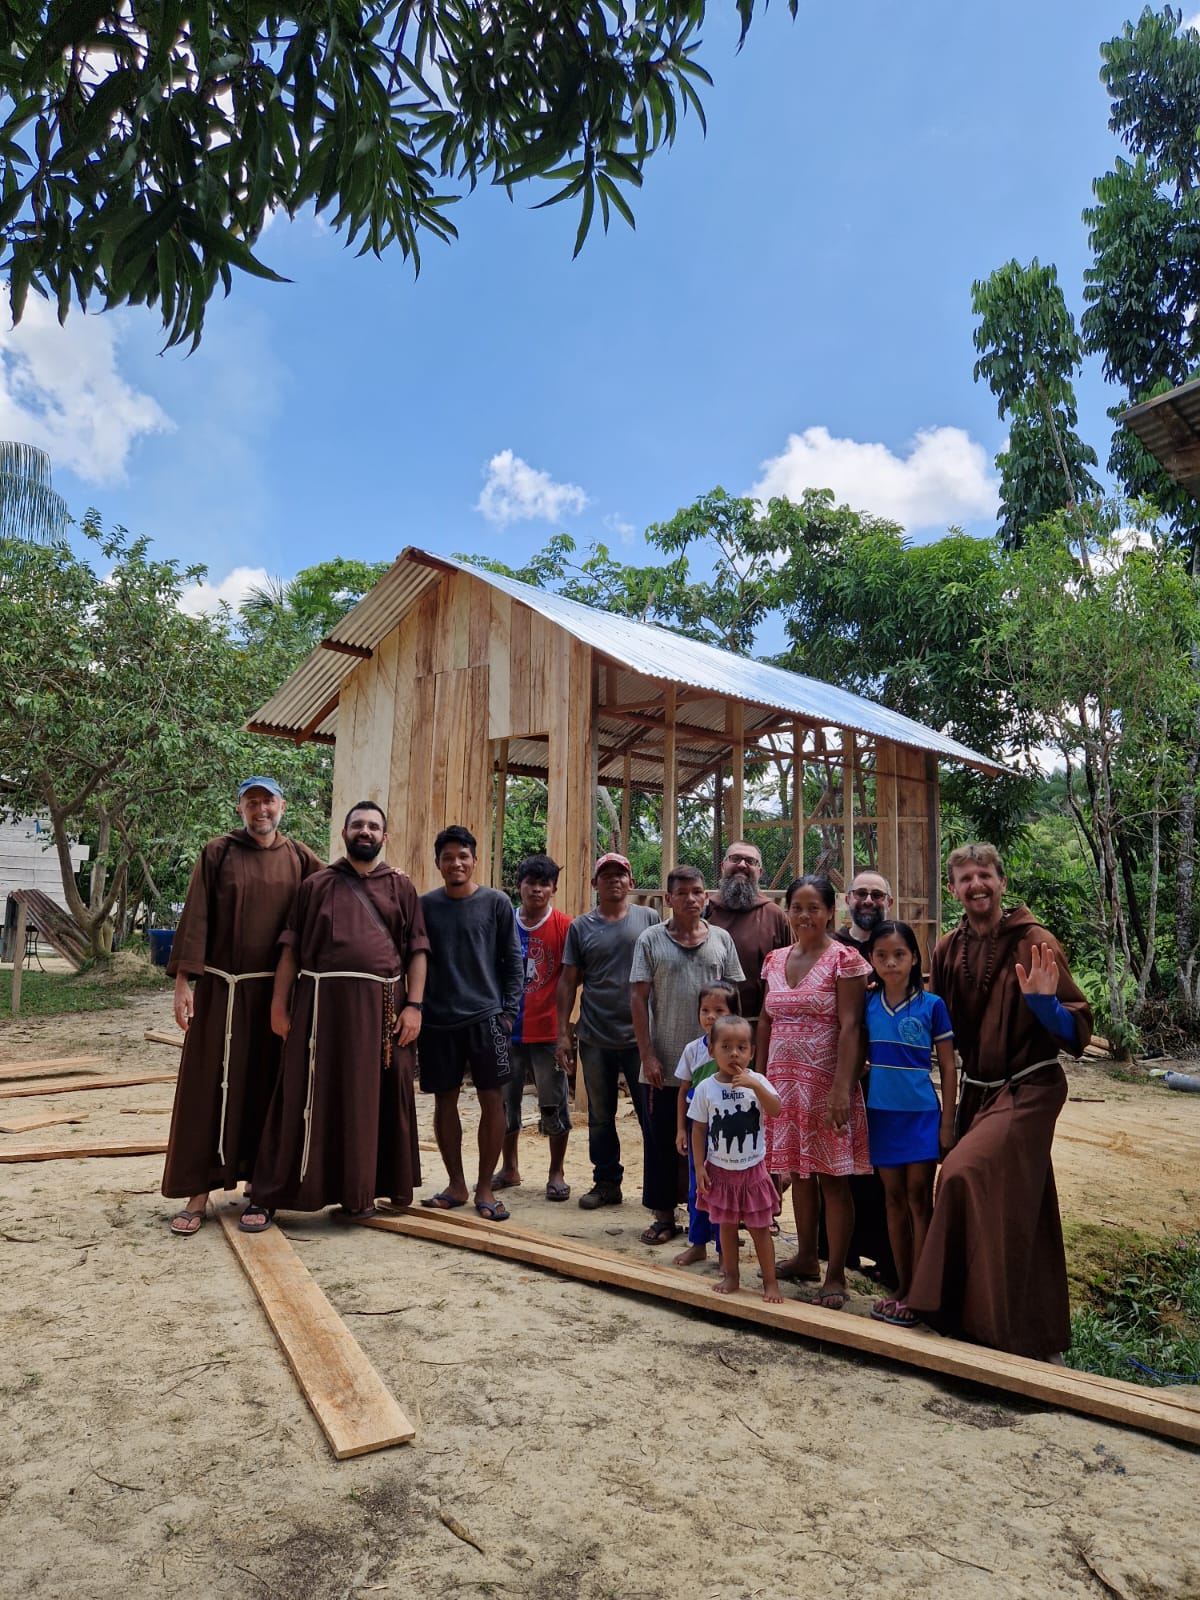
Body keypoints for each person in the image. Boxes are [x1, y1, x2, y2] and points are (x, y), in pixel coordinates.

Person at [906, 844, 1092, 1361]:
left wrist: (1044, 1005)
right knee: (1020, 1205)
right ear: (953, 889)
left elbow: (1074, 1029)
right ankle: (1027, 1332)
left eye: (984, 875)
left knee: (964, 1173)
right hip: (978, 1092)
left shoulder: (1035, 942)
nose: (976, 886)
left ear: (1002, 881)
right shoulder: (947, 949)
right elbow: (933, 1024)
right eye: (965, 879)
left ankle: (954, 1313)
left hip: (1030, 1089)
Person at [246, 802, 429, 1227]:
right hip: (319, 1010)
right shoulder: (316, 885)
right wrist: (279, 1004)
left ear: (384, 837)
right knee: (301, 1096)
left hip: (384, 1013)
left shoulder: (401, 888)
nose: (365, 832)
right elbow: (291, 949)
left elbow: (417, 951)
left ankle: (358, 1193)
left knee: (370, 1101)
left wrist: (415, 1006)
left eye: (373, 827)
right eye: (358, 825)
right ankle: (270, 1193)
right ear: (344, 833)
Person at [161, 777, 324, 1235]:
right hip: (220, 992)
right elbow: (195, 917)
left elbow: (335, 891)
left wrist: (385, 879)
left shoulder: (300, 858)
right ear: (240, 810)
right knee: (206, 1086)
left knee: (265, 1086)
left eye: (267, 801)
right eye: (252, 802)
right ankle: (199, 1192)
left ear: (282, 806)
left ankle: (261, 1188)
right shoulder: (217, 853)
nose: (261, 810)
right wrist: (183, 982)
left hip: (272, 996)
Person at [759, 874, 871, 1309]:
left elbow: (850, 1025)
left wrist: (842, 1089)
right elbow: (766, 1020)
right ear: (787, 911)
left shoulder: (845, 960)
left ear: (830, 913)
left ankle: (836, 1272)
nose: (805, 916)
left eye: (814, 908)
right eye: (797, 907)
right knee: (798, 1173)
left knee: (832, 1179)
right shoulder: (774, 960)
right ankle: (805, 1257)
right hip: (783, 1086)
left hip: (826, 1086)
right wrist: (760, 1079)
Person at [630, 865, 744, 1246]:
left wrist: (738, 1055)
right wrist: (647, 1055)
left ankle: (717, 1218)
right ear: (668, 899)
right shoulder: (651, 939)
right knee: (662, 1139)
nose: (691, 899)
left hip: (716, 1066)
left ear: (706, 895)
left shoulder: (722, 940)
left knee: (716, 1142)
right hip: (665, 1060)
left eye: (697, 892)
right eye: (682, 893)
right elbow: (638, 998)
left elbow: (735, 998)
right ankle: (664, 1215)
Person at [418, 825, 524, 1221]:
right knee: (443, 1101)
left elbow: (514, 961)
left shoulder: (496, 903)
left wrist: (508, 1013)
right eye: (448, 857)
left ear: (475, 860)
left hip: (487, 1019)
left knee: (491, 1100)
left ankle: (484, 1188)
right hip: (438, 1021)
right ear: (438, 863)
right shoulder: (425, 906)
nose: (456, 863)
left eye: (463, 856)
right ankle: (456, 1184)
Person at [862, 920, 957, 1328]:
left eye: (899, 954)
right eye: (881, 955)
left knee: (920, 1198)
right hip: (881, 1115)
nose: (890, 962)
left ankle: (923, 1291)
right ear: (871, 959)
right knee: (893, 1200)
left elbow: (949, 1068)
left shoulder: (931, 1005)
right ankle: (901, 1287)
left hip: (920, 1114)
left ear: (915, 957)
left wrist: (947, 1123)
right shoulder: (866, 1003)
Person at [556, 853, 658, 1210]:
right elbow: (568, 982)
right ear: (595, 883)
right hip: (596, 1036)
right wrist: (562, 1033)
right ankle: (606, 1183)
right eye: (606, 875)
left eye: (621, 874)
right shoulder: (581, 928)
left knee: (651, 1117)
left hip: (640, 1040)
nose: (614, 880)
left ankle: (657, 1192)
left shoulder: (650, 919)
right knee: (601, 1116)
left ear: (630, 882)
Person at [830, 869, 899, 1290]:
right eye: (861, 894)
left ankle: (889, 1258)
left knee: (881, 1169)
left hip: (887, 1076)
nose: (869, 900)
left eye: (877, 894)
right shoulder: (833, 947)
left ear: (888, 903)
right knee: (838, 1166)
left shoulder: (897, 943)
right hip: (838, 1072)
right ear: (847, 900)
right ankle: (838, 1251)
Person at [689, 1014, 784, 1303]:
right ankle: (731, 1275)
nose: (734, 1054)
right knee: (726, 1227)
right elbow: (699, 1128)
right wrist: (698, 1167)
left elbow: (776, 1109)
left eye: (742, 1047)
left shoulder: (758, 1080)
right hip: (719, 1171)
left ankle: (770, 1282)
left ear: (752, 1052)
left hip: (753, 1170)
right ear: (711, 1050)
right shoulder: (706, 1088)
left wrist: (754, 1086)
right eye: (726, 1047)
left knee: (760, 1228)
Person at [495, 854, 573, 1201]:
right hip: (506, 1029)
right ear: (519, 886)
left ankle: (556, 1173)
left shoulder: (565, 927)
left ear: (553, 889)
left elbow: (573, 978)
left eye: (545, 884)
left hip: (547, 1032)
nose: (537, 890)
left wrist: (565, 1032)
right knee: (504, 1104)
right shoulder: (503, 922)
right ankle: (509, 1168)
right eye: (531, 883)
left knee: (553, 1104)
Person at [672, 981, 739, 1267]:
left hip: (728, 1132)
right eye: (705, 1010)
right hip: (698, 1129)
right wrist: (680, 1130)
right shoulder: (692, 1050)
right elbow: (683, 1091)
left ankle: (726, 1253)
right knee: (697, 1187)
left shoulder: (737, 1050)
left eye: (719, 1010)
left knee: (726, 1190)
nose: (710, 1016)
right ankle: (698, 1244)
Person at [704, 841, 791, 1023]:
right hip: (709, 1025)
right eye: (735, 859)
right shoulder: (704, 912)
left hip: (759, 1025)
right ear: (723, 866)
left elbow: (791, 972)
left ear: (759, 872)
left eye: (750, 861)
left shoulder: (774, 916)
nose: (742, 865)